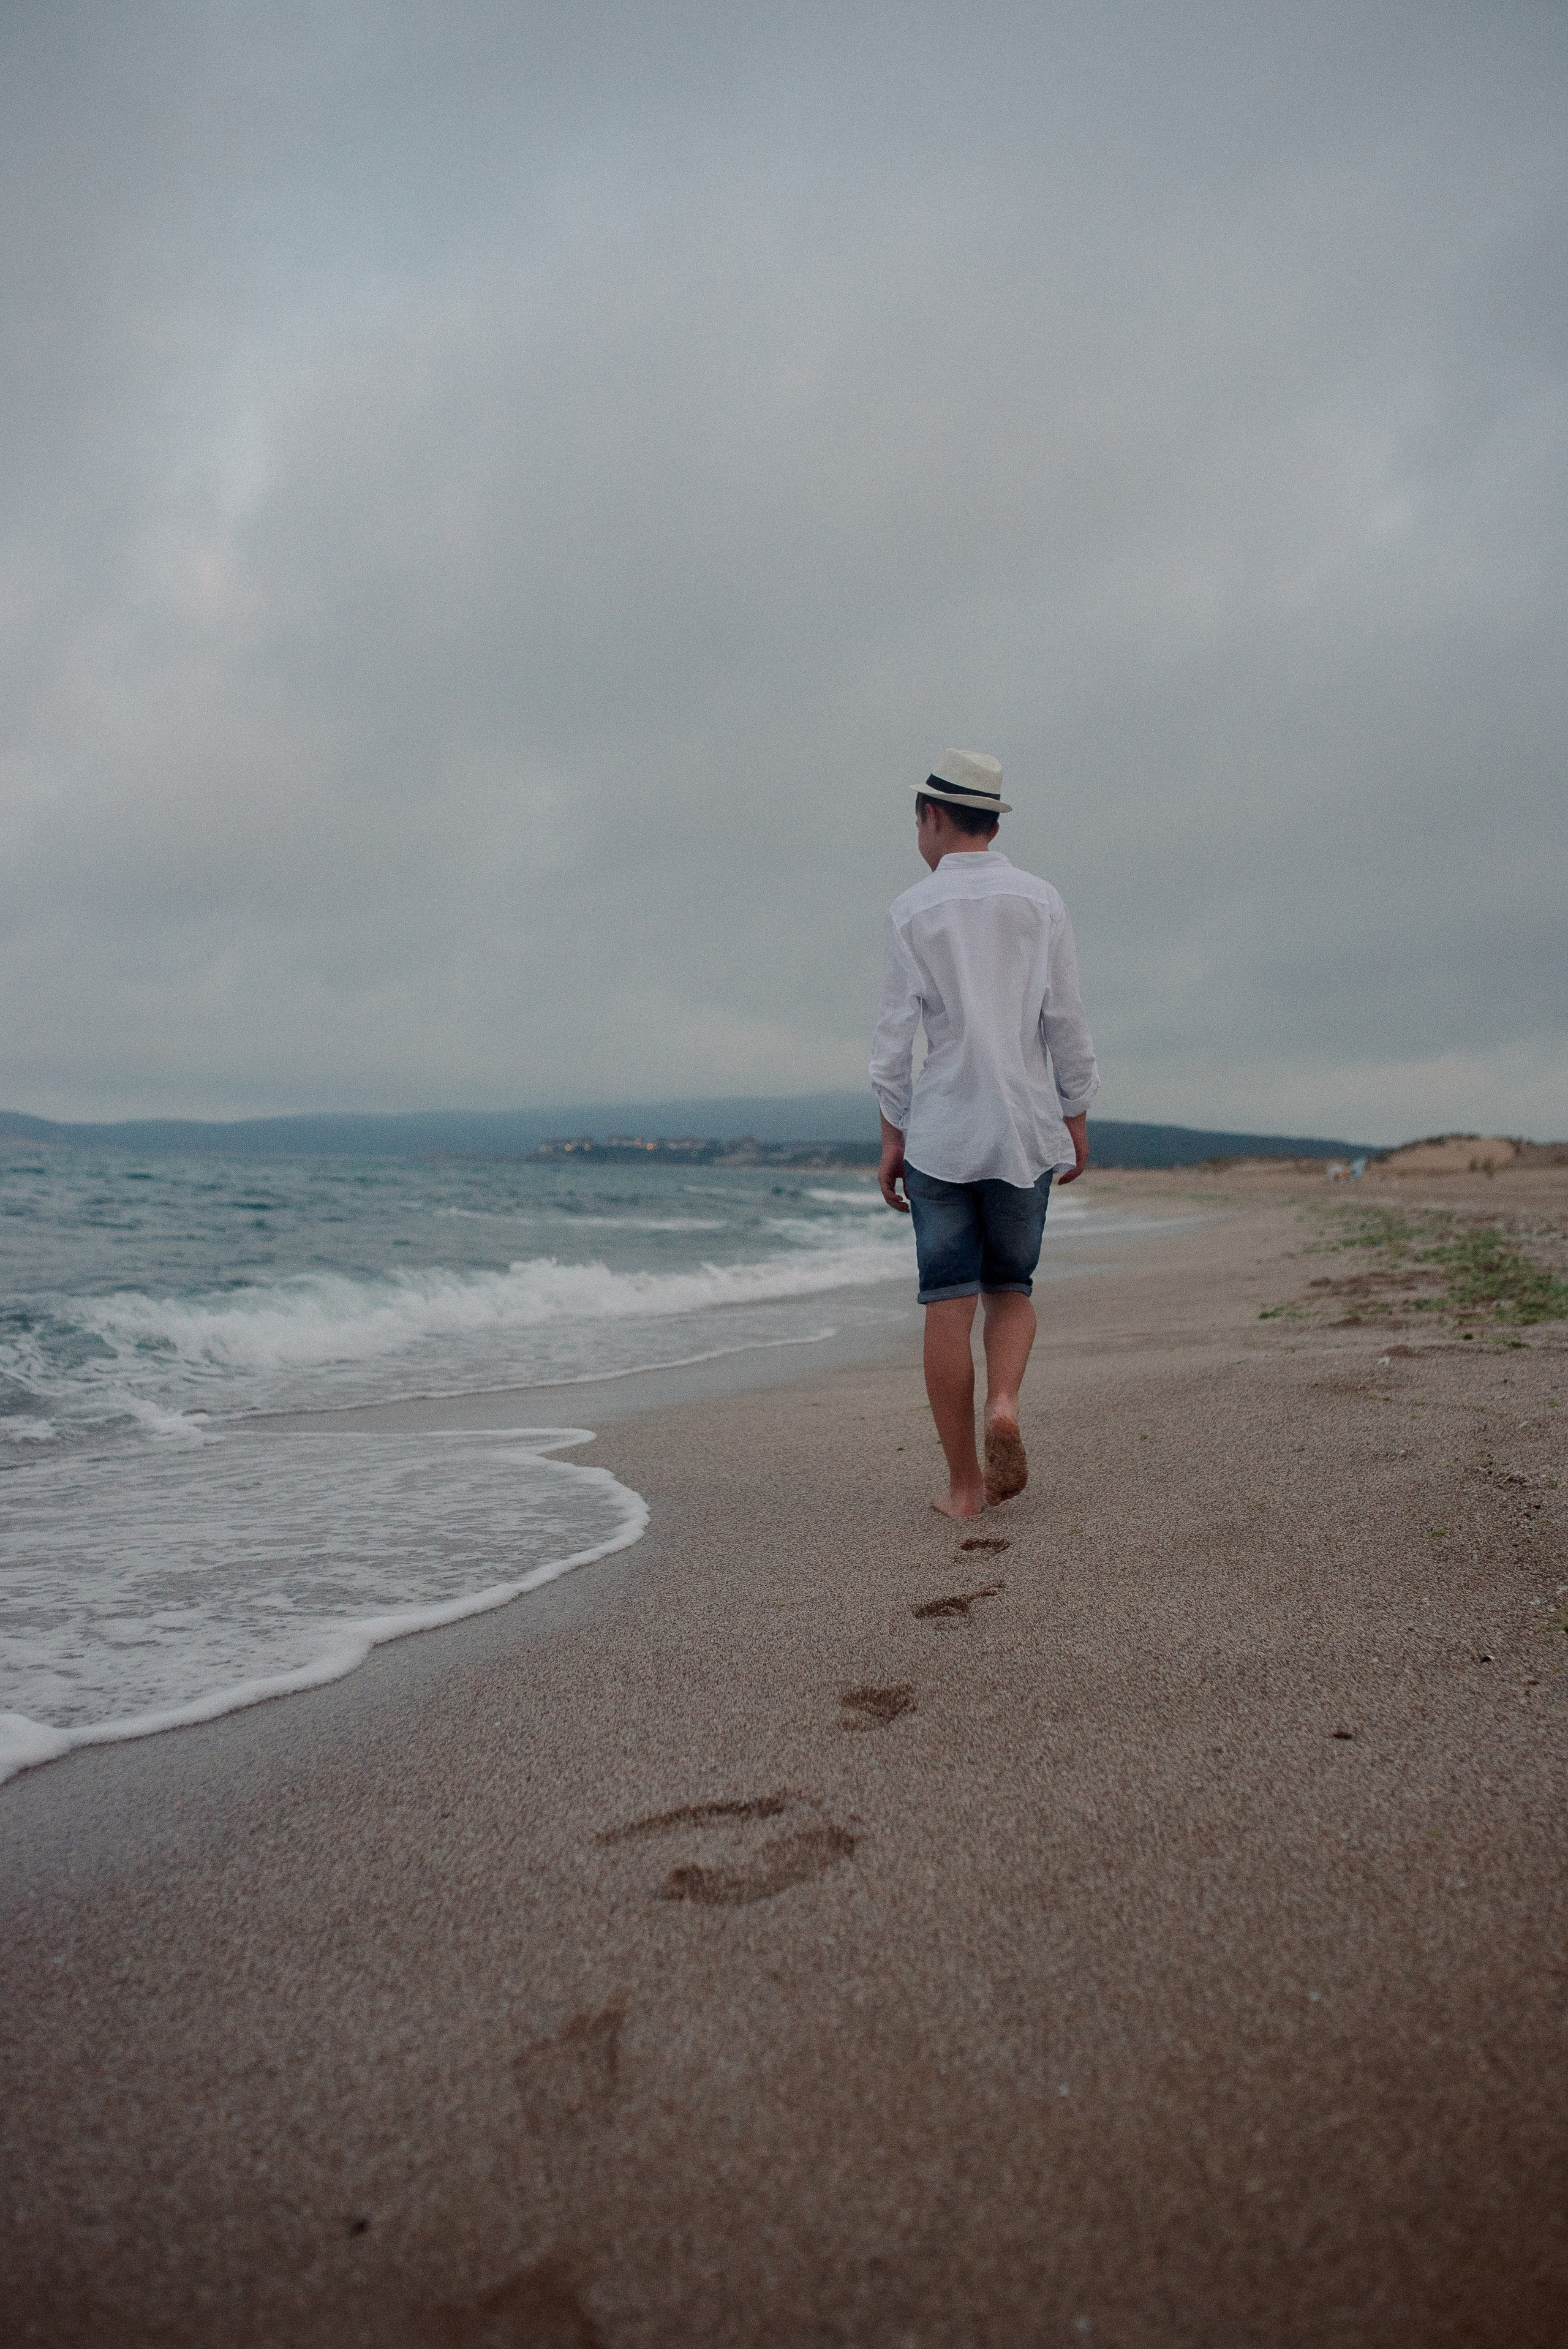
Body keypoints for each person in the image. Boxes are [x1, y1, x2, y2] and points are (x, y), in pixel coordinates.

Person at [870, 750, 1099, 1519]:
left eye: (918, 821)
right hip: (1024, 1128)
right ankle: (1003, 1402)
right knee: (1013, 1288)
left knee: (947, 1302)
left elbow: (894, 1037)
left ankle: (965, 1487)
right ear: (994, 822)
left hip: (940, 1131)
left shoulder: (912, 909)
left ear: (934, 817)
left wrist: (891, 1133)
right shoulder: (1042, 902)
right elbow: (1063, 1018)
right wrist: (1075, 1111)